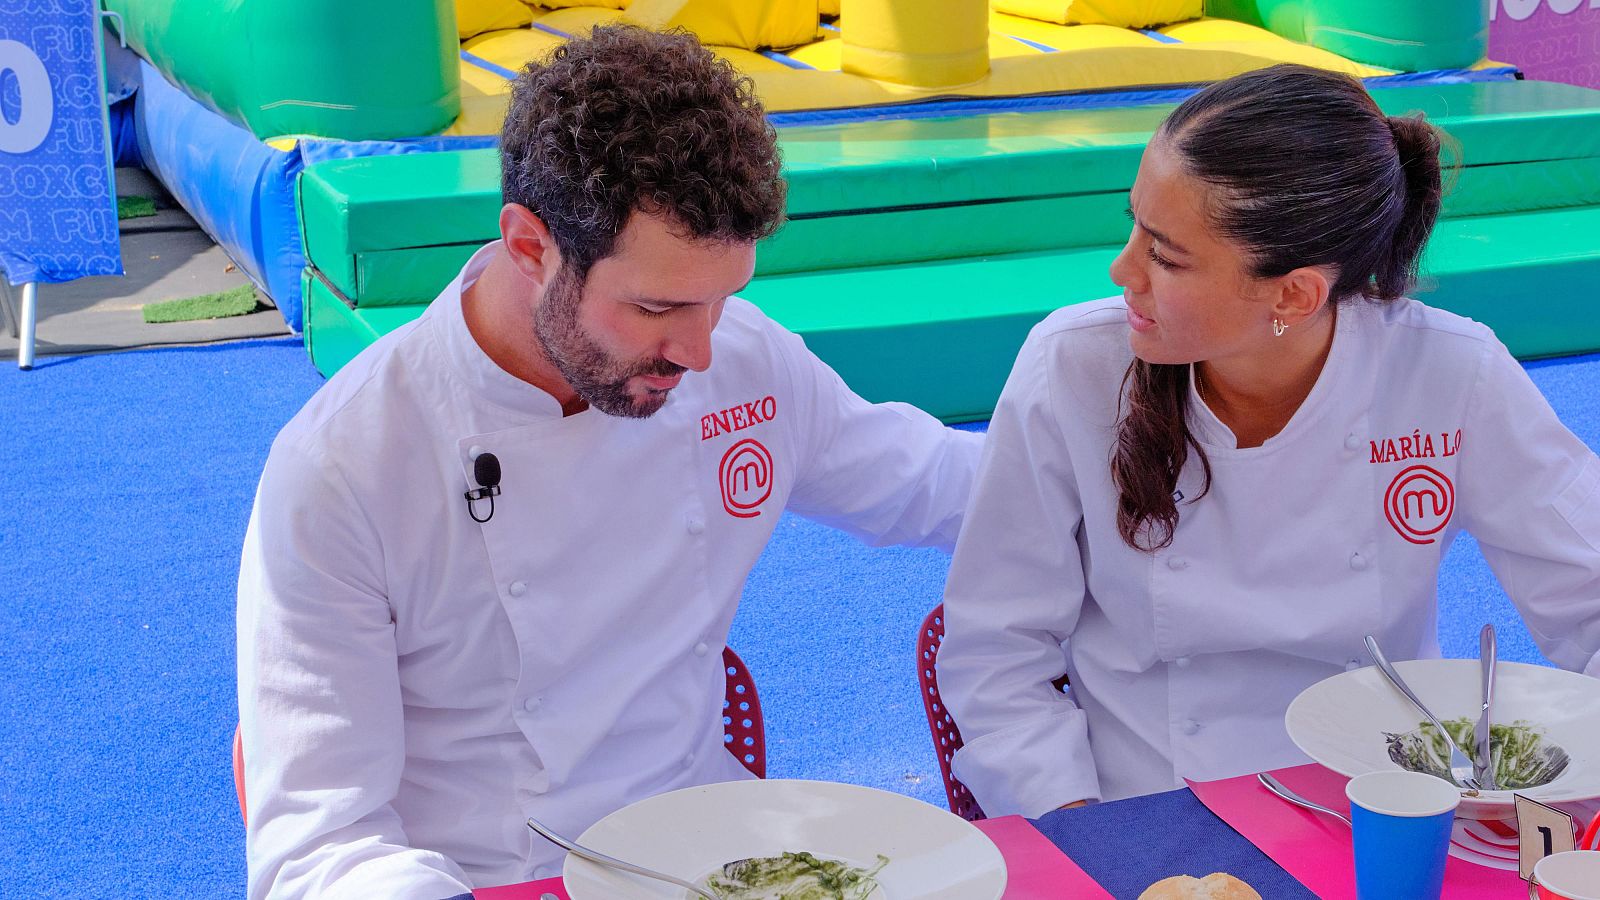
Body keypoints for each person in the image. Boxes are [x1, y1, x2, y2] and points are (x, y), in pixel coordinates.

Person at [236, 26, 982, 899]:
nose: (701, 352)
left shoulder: (743, 360)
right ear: (529, 246)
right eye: (657, 305)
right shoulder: (344, 468)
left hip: (716, 866)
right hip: (483, 881)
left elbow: (945, 487)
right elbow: (320, 847)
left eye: (723, 299)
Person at [936, 64, 1600, 817]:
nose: (1122, 271)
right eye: (1134, 229)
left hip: (1388, 810)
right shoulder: (1073, 367)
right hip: (1144, 810)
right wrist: (1083, 832)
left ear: (1293, 295)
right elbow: (995, 652)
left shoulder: (1452, 373)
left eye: (1165, 255)